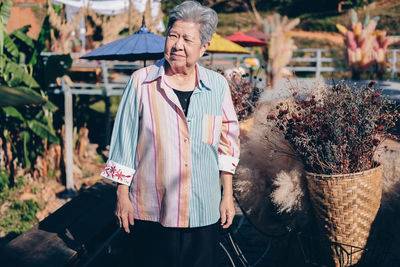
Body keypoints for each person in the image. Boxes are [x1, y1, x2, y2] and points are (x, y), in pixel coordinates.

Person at [100, 1, 240, 266]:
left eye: (187, 39)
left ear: (204, 47)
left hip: (203, 210)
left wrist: (227, 196)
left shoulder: (217, 86)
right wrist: (121, 196)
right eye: (173, 36)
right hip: (151, 210)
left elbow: (227, 144)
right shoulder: (141, 82)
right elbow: (124, 142)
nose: (177, 45)